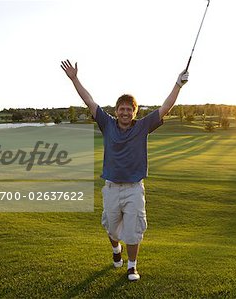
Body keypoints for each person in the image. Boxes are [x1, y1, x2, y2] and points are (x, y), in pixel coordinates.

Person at [60, 59, 189, 281]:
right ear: (116, 110)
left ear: (135, 112)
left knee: (133, 230)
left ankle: (132, 266)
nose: (125, 112)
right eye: (122, 109)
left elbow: (165, 107)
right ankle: (115, 250)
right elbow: (88, 100)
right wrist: (74, 79)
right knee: (111, 227)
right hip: (111, 187)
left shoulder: (142, 127)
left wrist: (178, 84)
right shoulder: (107, 123)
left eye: (129, 109)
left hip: (133, 189)